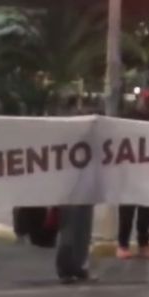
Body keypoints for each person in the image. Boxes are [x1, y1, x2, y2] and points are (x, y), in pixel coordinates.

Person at [55, 97, 96, 284]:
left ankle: (78, 266)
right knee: (70, 230)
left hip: (86, 186)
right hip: (69, 187)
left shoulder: (90, 130)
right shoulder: (65, 130)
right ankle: (66, 268)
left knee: (83, 229)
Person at [116, 91, 149, 260]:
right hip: (129, 173)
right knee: (127, 211)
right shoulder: (128, 118)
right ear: (140, 100)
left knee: (146, 212)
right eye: (148, 100)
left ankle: (144, 245)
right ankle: (123, 245)